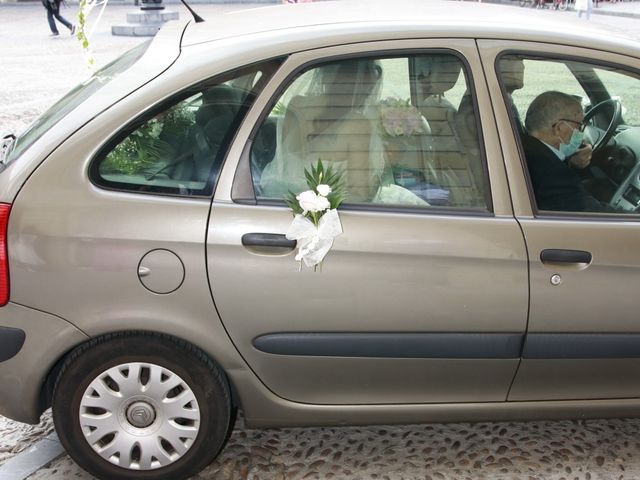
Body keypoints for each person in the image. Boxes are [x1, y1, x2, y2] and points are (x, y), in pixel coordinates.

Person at [522, 91, 612, 212]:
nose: (582, 135)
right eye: (579, 126)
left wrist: (571, 161)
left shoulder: (525, 146)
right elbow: (593, 213)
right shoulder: (553, 174)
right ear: (559, 128)